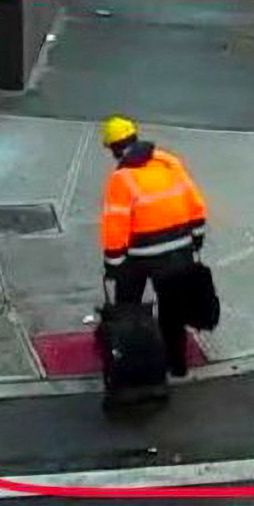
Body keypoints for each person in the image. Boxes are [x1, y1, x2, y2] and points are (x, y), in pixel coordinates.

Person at [99, 116, 210, 378]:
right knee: (172, 311)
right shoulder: (169, 162)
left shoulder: (122, 178)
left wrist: (113, 264)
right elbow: (196, 204)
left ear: (115, 148)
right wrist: (195, 239)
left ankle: (129, 357)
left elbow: (116, 226)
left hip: (140, 257)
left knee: (128, 307)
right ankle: (177, 365)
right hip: (178, 252)